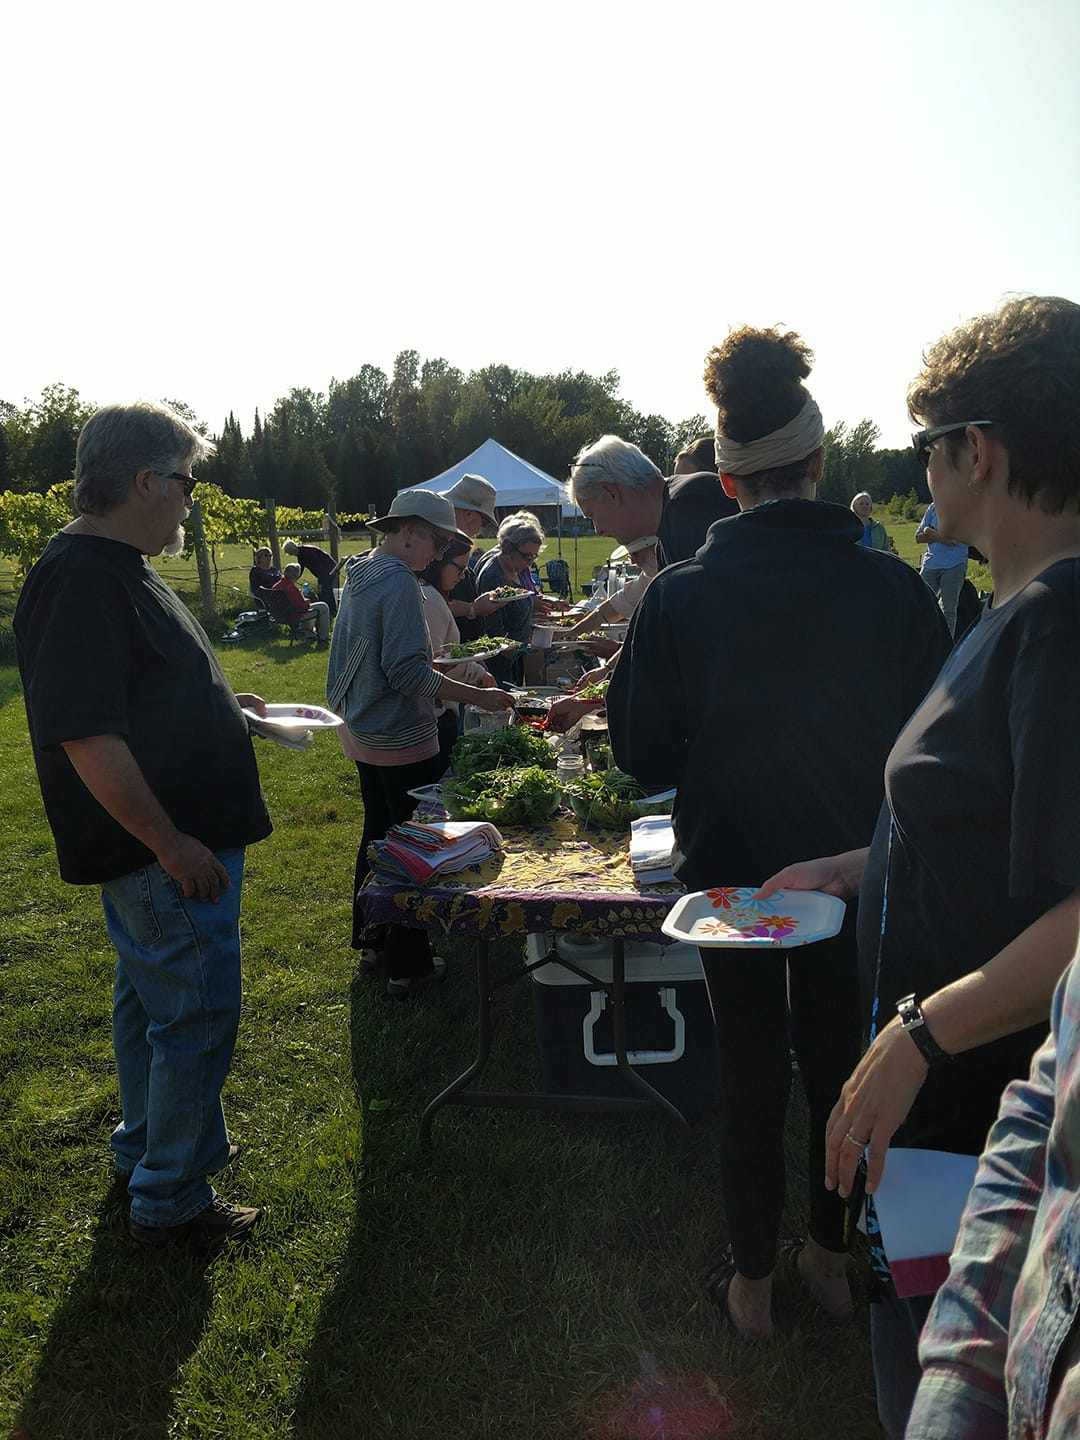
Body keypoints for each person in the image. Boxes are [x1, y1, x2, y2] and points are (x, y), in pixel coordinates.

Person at [756, 295, 1080, 1435]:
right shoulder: (1012, 608)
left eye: (924, 448)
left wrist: (920, 1032)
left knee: (950, 1389)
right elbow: (985, 823)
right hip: (945, 1103)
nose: (920, 475)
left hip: (984, 1113)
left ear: (975, 451)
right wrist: (854, 863)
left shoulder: (1061, 622)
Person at [606, 326, 951, 1345]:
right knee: (845, 1058)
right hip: (856, 872)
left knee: (751, 1064)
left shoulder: (680, 595)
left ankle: (755, 1280)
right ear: (818, 461)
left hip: (734, 875)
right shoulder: (891, 587)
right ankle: (831, 1256)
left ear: (723, 476)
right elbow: (934, 757)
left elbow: (639, 755)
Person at [13, 400, 272, 1244]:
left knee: (152, 1010)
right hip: (161, 853)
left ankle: (142, 1153)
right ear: (147, 480)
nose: (191, 503)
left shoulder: (113, 567)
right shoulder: (85, 577)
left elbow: (137, 696)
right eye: (187, 484)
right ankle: (172, 1199)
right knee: (193, 1015)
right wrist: (170, 842)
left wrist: (224, 709)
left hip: (159, 850)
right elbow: (85, 732)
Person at [326, 489, 513, 999]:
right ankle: (408, 965)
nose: (439, 553)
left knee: (377, 836)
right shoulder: (400, 584)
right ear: (407, 530)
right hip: (399, 733)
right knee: (413, 850)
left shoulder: (363, 570)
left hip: (361, 725)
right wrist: (477, 695)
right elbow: (407, 673)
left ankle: (372, 939)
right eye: (437, 540)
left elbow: (388, 658)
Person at [905, 936, 1080, 1439]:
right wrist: (953, 1390)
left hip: (958, 1089)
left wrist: (921, 1033)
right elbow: (1051, 1101)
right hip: (1019, 1382)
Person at [418, 536, 498, 765]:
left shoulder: (431, 595)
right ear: (439, 562)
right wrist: (478, 675)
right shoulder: (431, 599)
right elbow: (436, 663)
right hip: (435, 714)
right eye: (460, 569)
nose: (462, 576)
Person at [475, 510, 551, 685]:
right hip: (500, 667)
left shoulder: (519, 569)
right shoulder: (493, 577)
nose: (530, 562)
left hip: (517, 659)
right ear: (509, 549)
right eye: (527, 556)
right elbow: (494, 635)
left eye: (534, 556)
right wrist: (527, 653)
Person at [438, 474, 507, 642]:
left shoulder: (451, 541)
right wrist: (473, 608)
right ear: (468, 514)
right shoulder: (438, 545)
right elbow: (429, 603)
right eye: (484, 523)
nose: (481, 530)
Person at [915, 498, 968, 635]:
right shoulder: (933, 508)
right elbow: (918, 537)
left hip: (955, 565)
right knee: (920, 603)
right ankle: (922, 638)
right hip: (931, 564)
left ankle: (946, 645)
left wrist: (930, 531)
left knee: (948, 609)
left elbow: (953, 541)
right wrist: (939, 535)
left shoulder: (963, 508)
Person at [270, 562, 331, 644]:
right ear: (296, 576)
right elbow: (304, 607)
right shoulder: (291, 588)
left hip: (279, 615)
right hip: (293, 616)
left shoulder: (276, 586)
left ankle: (310, 635)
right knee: (323, 606)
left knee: (310, 609)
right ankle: (324, 636)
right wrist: (308, 600)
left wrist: (300, 596)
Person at [283, 532, 343, 614]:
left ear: (291, 551)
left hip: (328, 570)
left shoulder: (305, 553)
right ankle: (332, 611)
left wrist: (321, 578)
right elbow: (300, 569)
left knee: (324, 593)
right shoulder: (301, 553)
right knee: (328, 591)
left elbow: (318, 564)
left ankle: (323, 612)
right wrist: (294, 578)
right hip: (329, 569)